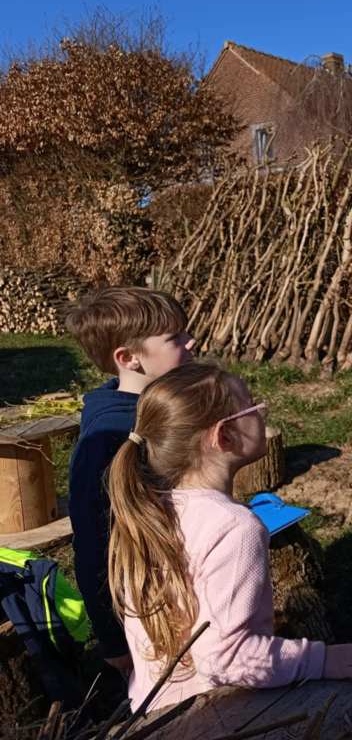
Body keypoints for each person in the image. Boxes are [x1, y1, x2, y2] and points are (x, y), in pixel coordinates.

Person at [107, 362, 352, 713]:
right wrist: (321, 659)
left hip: (154, 711)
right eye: (254, 406)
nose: (262, 412)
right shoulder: (234, 527)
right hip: (211, 717)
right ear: (224, 435)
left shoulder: (148, 512)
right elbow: (225, 658)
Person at [65, 287, 197, 682]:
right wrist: (113, 640)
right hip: (144, 607)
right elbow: (93, 543)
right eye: (175, 338)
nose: (192, 342)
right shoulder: (109, 437)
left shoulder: (152, 406)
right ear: (128, 358)